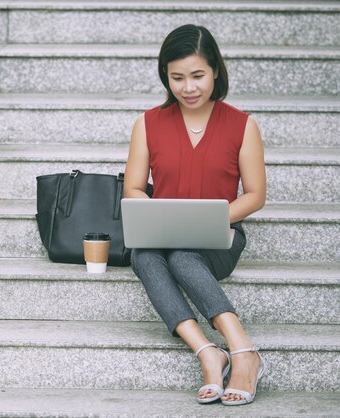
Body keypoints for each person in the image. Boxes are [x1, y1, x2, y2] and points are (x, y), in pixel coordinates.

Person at [123, 24, 267, 406]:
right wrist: (155, 218)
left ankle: (242, 350)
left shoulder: (242, 125)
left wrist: (213, 220)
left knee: (184, 255)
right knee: (144, 255)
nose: (188, 87)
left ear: (216, 71)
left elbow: (255, 196)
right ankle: (207, 351)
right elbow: (134, 188)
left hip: (221, 237)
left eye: (198, 76)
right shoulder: (148, 124)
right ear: (166, 76)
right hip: (165, 235)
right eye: (177, 78)